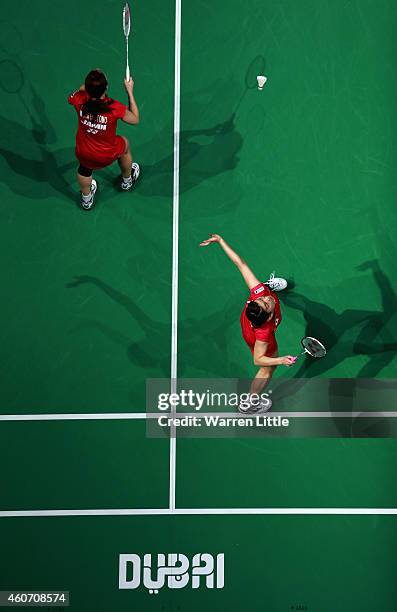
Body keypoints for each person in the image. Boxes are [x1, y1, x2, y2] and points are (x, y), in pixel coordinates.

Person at [200, 234, 295, 413]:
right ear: (268, 317)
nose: (266, 298)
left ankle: (270, 284)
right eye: (267, 303)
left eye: (263, 299)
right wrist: (281, 360)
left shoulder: (258, 293)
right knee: (268, 369)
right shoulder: (265, 333)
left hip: (250, 321)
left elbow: (240, 264)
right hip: (254, 337)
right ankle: (251, 402)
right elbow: (258, 359)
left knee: (260, 286)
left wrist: (221, 241)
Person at [68, 68, 140, 210]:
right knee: (124, 144)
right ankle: (127, 180)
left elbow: (79, 91)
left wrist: (88, 88)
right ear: (106, 88)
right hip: (107, 154)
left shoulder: (78, 100)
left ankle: (86, 199)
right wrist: (130, 92)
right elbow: (135, 119)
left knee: (84, 168)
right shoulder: (113, 107)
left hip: (84, 152)